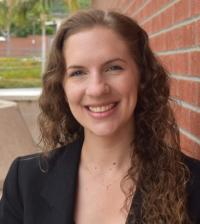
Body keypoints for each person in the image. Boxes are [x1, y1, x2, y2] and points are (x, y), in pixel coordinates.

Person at [0, 9, 200, 224]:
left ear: (142, 76)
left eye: (113, 68)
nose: (96, 89)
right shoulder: (25, 180)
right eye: (78, 72)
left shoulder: (193, 184)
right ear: (62, 88)